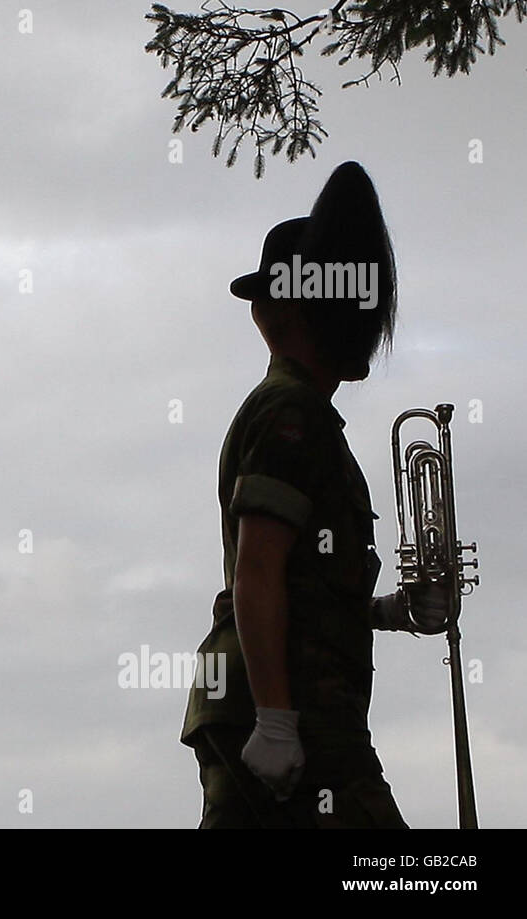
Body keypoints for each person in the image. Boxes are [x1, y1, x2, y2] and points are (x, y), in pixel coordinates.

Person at [180, 161, 452, 829]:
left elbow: (302, 585)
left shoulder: (299, 413)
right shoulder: (290, 415)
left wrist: (385, 611)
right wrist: (276, 718)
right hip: (291, 710)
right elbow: (257, 569)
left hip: (284, 705)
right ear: (296, 310)